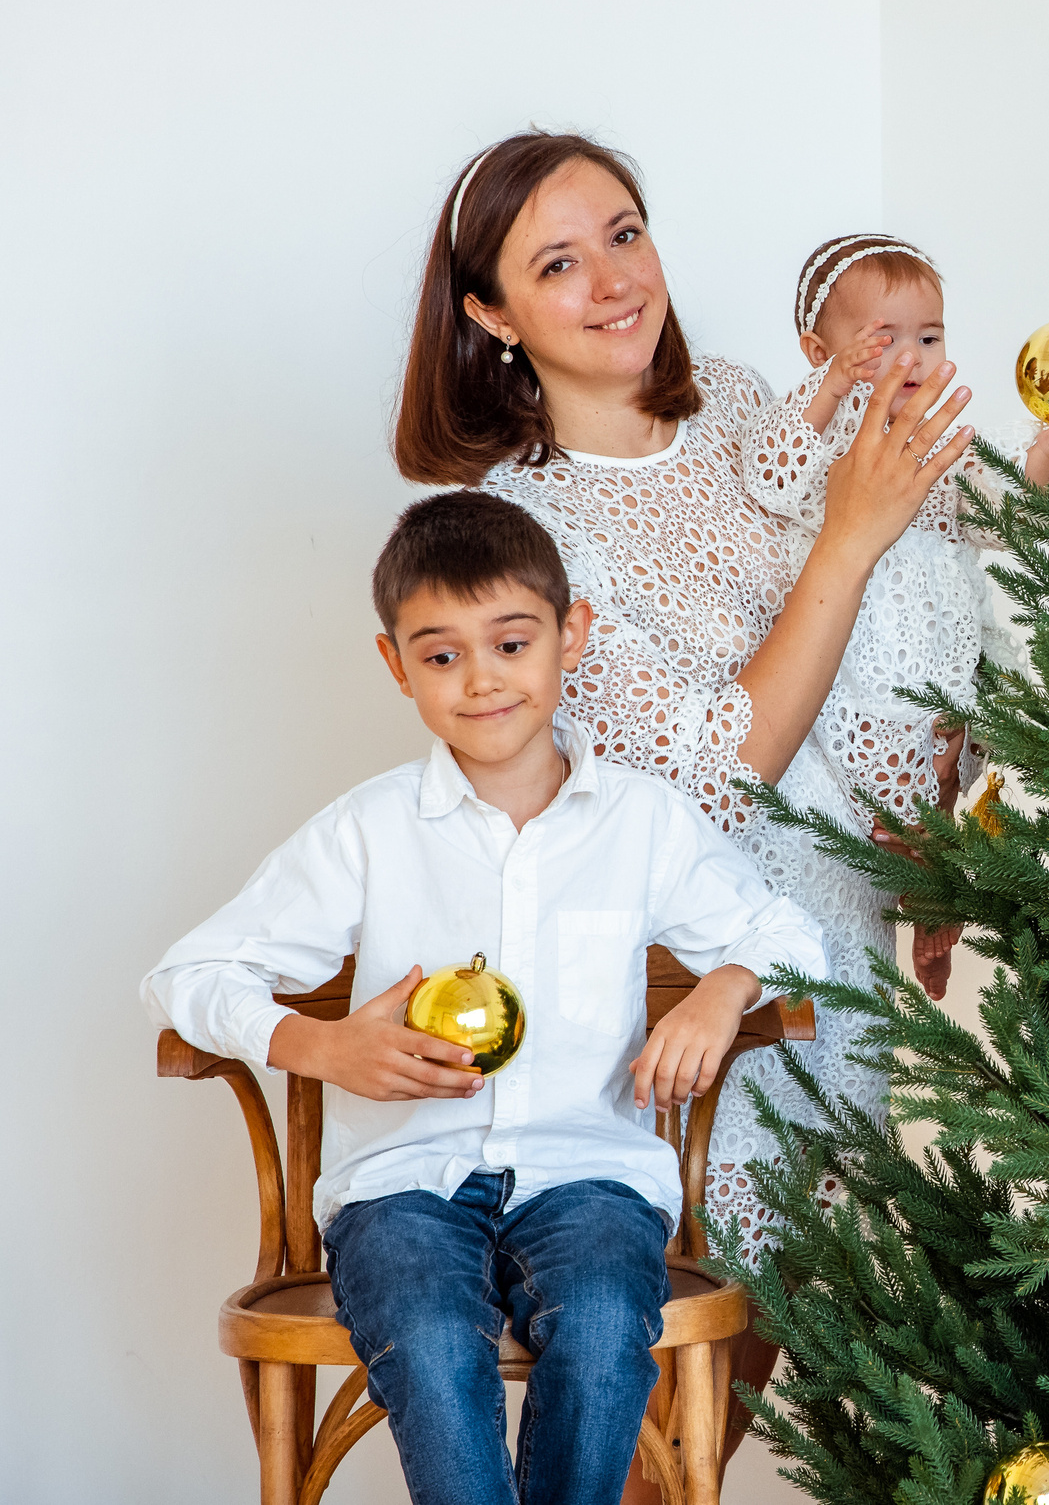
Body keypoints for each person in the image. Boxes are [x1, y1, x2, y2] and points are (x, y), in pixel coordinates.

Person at [393, 132, 971, 1462]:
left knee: (737, 1386)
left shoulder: (751, 404)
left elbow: (897, 647)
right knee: (657, 1402)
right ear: (491, 313)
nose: (612, 279)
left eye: (626, 232)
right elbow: (715, 772)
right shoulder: (526, 529)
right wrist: (848, 533)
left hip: (838, 946)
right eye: (557, 261)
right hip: (681, 985)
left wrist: (939, 839)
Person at [141, 491, 829, 1505]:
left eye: (510, 643)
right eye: (441, 655)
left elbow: (791, 935)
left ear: (570, 636)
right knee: (425, 1337)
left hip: (589, 1179)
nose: (480, 680)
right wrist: (314, 1044)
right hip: (403, 1188)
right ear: (395, 668)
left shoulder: (642, 824)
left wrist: (721, 990)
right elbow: (187, 974)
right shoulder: (368, 831)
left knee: (600, 1331)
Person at [739, 232, 1049, 1004]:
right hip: (857, 679)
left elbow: (1006, 515)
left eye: (929, 337)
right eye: (880, 340)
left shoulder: (943, 442)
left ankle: (932, 919)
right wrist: (832, 386)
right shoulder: (826, 436)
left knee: (935, 818)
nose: (910, 358)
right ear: (817, 348)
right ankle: (899, 914)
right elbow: (769, 477)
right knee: (878, 826)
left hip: (939, 675)